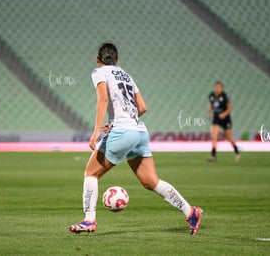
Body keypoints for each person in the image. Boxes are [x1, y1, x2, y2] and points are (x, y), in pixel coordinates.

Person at [68, 43, 202, 235]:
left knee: (91, 173)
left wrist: (97, 131)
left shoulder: (99, 72)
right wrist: (124, 121)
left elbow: (103, 100)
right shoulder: (127, 76)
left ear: (98, 59)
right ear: (117, 59)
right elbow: (143, 107)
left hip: (123, 132)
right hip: (139, 131)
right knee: (151, 181)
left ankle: (89, 220)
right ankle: (191, 212)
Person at [207, 81, 240, 162]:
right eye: (216, 87)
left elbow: (229, 108)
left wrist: (224, 114)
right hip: (216, 118)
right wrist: (209, 113)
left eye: (219, 87)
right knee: (214, 136)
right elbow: (211, 104)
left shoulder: (225, 96)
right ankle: (213, 156)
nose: (217, 88)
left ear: (222, 88)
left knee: (228, 137)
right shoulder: (212, 96)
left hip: (225, 119)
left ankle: (236, 151)